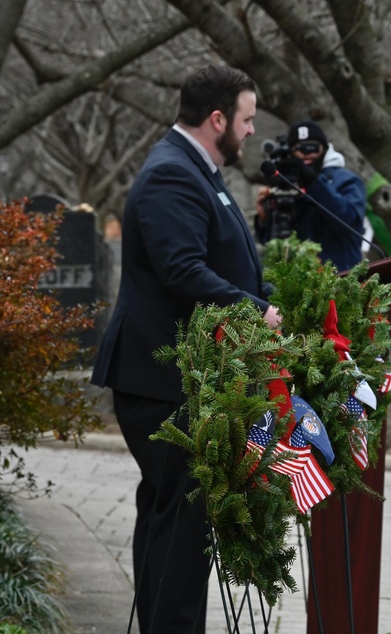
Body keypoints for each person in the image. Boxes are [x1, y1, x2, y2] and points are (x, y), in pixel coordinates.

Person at [90, 65, 281, 634]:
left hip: (181, 376)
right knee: (181, 521)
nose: (251, 132)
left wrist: (270, 301)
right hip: (161, 381)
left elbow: (225, 262)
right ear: (217, 118)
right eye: (246, 119)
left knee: (170, 516)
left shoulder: (200, 170)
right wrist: (254, 311)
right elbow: (182, 270)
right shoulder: (173, 174)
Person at [255, 119, 368, 270]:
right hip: (295, 281)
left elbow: (349, 225)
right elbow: (275, 243)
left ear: (325, 149)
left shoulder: (347, 180)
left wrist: (313, 182)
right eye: (298, 149)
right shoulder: (286, 183)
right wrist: (264, 221)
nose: (305, 154)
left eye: (311, 147)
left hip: (340, 280)